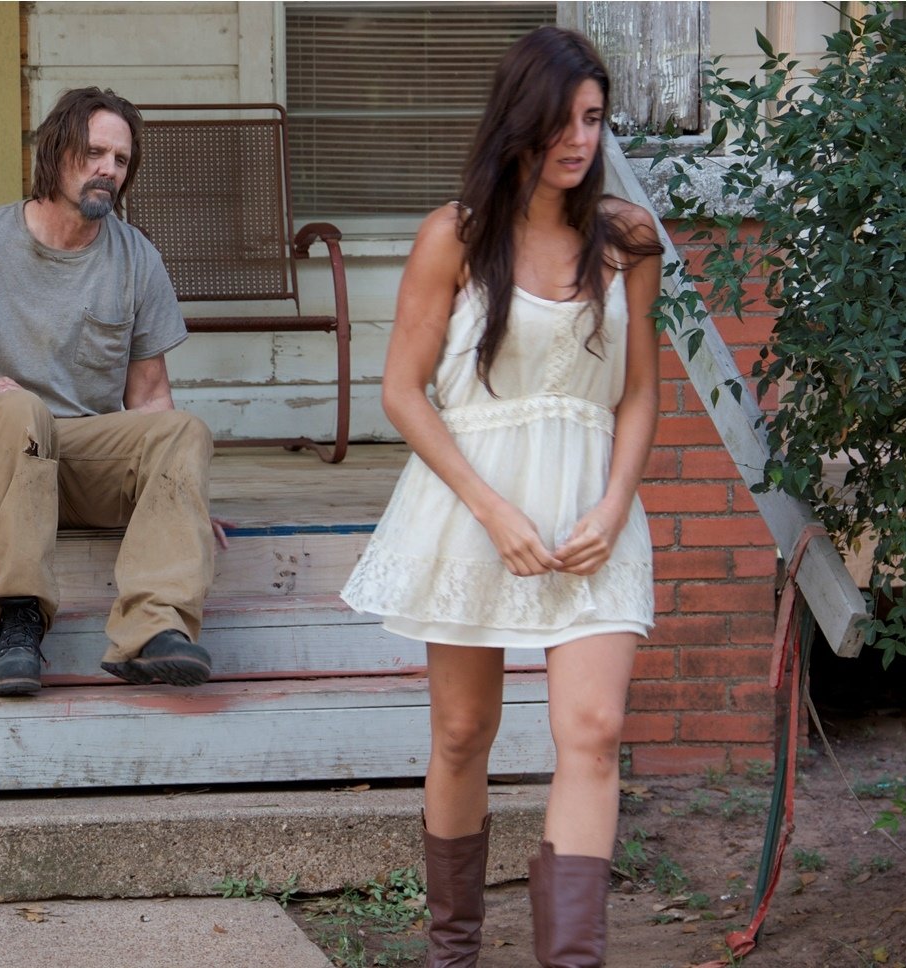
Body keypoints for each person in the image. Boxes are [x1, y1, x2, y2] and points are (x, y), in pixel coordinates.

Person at [340, 27, 664, 968]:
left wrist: (616, 503)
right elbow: (403, 391)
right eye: (561, 120)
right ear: (518, 120)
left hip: (592, 511)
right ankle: (454, 950)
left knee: (594, 731)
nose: (579, 140)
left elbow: (640, 392)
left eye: (594, 119)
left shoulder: (627, 240)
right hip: (473, 509)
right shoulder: (455, 235)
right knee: (461, 731)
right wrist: (492, 509)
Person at [0, 87, 223, 699]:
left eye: (120, 159)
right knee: (21, 409)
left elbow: (150, 399)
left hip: (76, 462)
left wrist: (179, 494)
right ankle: (16, 624)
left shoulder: (137, 257)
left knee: (185, 432)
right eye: (94, 152)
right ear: (55, 151)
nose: (108, 169)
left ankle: (154, 630)